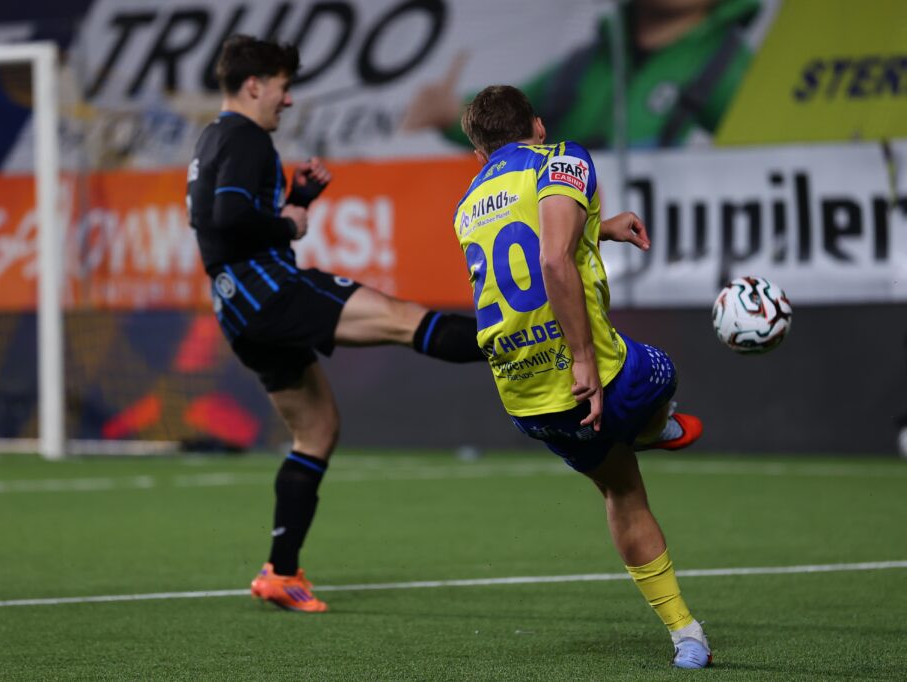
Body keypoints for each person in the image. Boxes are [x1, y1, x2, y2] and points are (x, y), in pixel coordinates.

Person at [186, 35, 485, 614]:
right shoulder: (246, 136)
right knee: (405, 321)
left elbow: (222, 218)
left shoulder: (212, 139)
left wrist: (297, 199)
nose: (288, 99)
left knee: (317, 431)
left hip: (237, 309)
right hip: (270, 291)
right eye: (283, 87)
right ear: (254, 85)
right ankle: (532, 339)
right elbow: (229, 217)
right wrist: (291, 224)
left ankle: (280, 572)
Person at [452, 85, 709, 669]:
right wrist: (584, 358)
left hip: (525, 395)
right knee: (663, 372)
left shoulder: (467, 203)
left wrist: (600, 226)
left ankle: (688, 635)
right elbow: (550, 257)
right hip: (601, 375)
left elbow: (529, 242)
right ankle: (654, 427)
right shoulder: (561, 158)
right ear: (538, 127)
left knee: (621, 491)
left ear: (479, 154)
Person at [403, 0, 760, 149]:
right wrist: (455, 114)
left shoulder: (728, 66)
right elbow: (512, 116)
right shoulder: (588, 61)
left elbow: (762, 165)